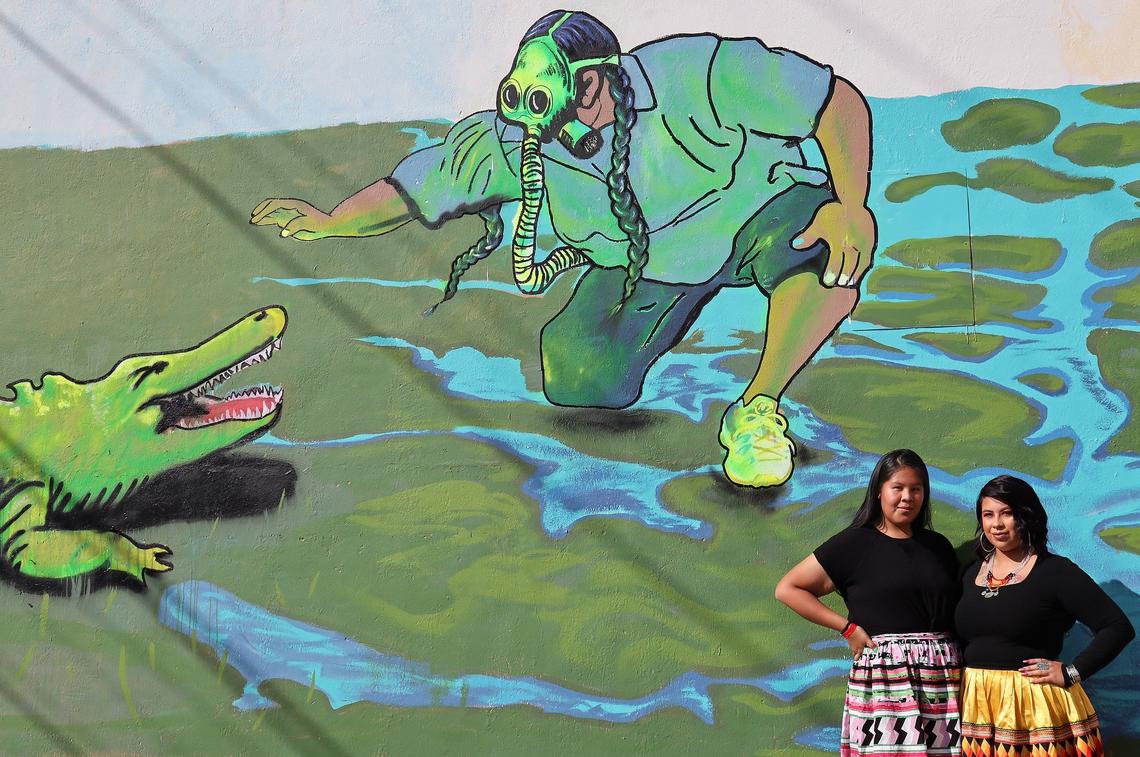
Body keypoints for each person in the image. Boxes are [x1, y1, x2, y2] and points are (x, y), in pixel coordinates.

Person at [250, 9, 876, 490]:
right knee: (579, 376)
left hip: (751, 210)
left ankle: (757, 408)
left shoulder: (695, 70)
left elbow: (833, 102)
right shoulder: (519, 139)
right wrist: (331, 221)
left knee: (827, 251)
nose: (535, 116)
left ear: (596, 82)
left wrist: (852, 204)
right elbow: (420, 184)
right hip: (647, 262)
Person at [775, 449, 962, 756]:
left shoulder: (938, 546)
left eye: (916, 489)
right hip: (887, 680)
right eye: (897, 488)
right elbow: (788, 588)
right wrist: (847, 628)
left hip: (942, 680)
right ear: (879, 492)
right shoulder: (854, 544)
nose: (907, 497)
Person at [955, 475, 1134, 757]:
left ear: (1026, 517)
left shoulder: (1055, 572)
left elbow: (1117, 627)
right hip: (977, 706)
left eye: (1007, 513)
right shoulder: (969, 573)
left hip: (1036, 710)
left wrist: (1072, 672)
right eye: (988, 515)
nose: (997, 524)